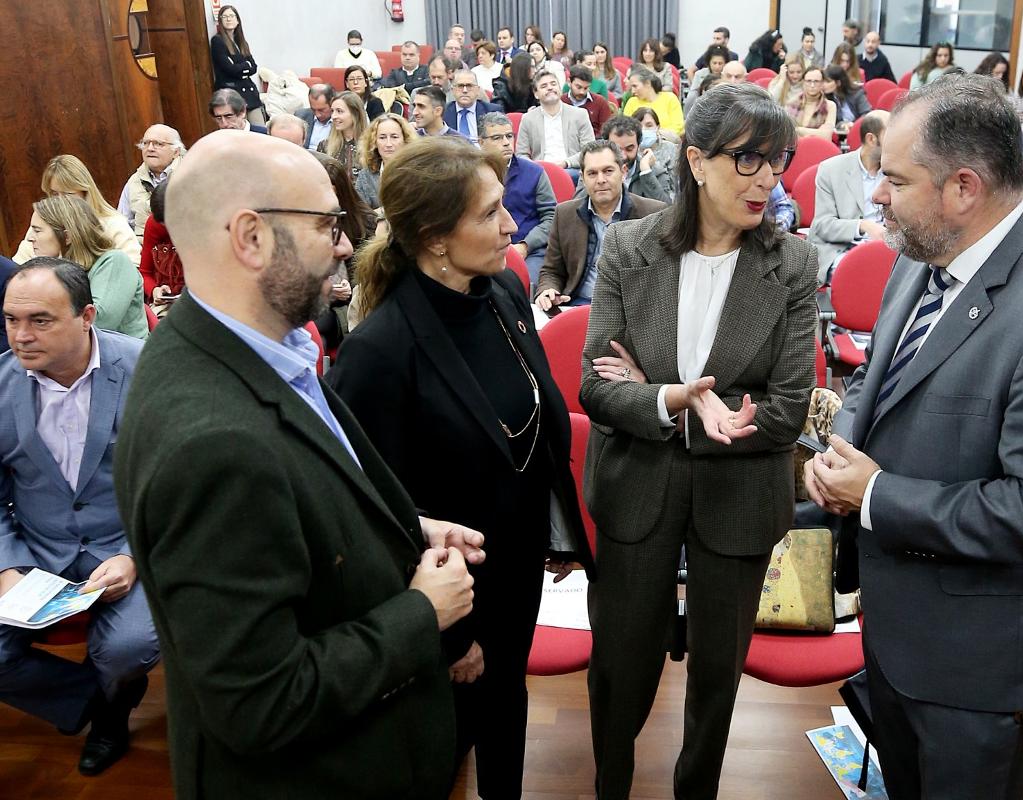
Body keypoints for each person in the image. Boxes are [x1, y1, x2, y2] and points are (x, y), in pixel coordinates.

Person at [114, 128, 480, 798]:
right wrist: (422, 612)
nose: (344, 244)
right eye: (326, 224)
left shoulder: (243, 350)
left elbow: (292, 508)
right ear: (251, 238)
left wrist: (399, 528)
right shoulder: (212, 446)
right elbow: (260, 701)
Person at [802, 73, 1023, 800]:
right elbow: (880, 385)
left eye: (894, 179)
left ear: (963, 187)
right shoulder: (923, 255)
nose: (876, 196)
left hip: (975, 662)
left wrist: (877, 495)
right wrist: (840, 460)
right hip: (898, 628)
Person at [327, 135, 592, 799]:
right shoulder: (379, 353)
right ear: (435, 238)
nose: (512, 225)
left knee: (506, 709)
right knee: (444, 746)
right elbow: (376, 515)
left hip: (518, 563)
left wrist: (556, 528)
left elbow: (533, 422)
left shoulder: (501, 290)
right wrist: (447, 637)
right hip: (452, 597)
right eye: (490, 214)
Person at [581, 83, 816, 799]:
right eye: (747, 160)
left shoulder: (794, 264)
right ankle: (611, 785)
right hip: (635, 486)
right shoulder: (627, 246)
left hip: (739, 490)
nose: (767, 179)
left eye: (777, 161)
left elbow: (787, 408)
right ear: (696, 160)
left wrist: (656, 395)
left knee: (717, 675)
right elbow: (596, 389)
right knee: (621, 666)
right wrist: (675, 400)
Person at [0, 259, 159, 776]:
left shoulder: (147, 369)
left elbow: (182, 482)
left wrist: (135, 556)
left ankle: (112, 706)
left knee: (127, 648)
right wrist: (8, 563)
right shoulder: (1, 384)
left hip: (126, 543)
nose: (21, 336)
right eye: (10, 320)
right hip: (37, 553)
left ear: (87, 315)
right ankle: (98, 706)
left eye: (40, 320)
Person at [535, 140, 667, 312]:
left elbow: (663, 276)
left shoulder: (652, 214)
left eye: (608, 171)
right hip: (578, 305)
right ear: (582, 178)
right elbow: (552, 271)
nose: (601, 180)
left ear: (623, 172)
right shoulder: (565, 214)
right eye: (592, 173)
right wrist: (548, 290)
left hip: (632, 311)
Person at [26, 196, 147, 339]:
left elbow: (98, 324)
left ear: (67, 237)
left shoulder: (114, 262)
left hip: (128, 359)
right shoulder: (52, 272)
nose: (30, 238)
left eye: (37, 231)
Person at [13, 156, 141, 268]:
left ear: (85, 192)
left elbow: (133, 268)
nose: (61, 201)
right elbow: (17, 271)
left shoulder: (113, 224)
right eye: (54, 194)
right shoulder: (40, 226)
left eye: (68, 194)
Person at [807, 110, 889, 280]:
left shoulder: (896, 170)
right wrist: (863, 226)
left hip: (887, 247)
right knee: (859, 273)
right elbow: (822, 225)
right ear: (871, 139)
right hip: (842, 249)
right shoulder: (831, 170)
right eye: (890, 135)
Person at [479, 112, 557, 281]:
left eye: (509, 136)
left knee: (525, 283)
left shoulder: (534, 173)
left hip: (530, 251)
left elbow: (551, 217)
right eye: (497, 138)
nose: (506, 143)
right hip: (483, 249)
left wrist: (526, 245)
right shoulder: (471, 176)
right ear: (481, 142)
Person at [311, 151, 376, 353]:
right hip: (310, 300)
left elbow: (369, 277)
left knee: (318, 328)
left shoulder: (365, 222)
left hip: (345, 307)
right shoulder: (301, 219)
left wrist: (348, 289)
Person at [516, 71, 594, 172]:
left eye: (553, 84)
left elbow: (589, 150)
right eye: (544, 86)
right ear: (536, 94)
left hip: (572, 169)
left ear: (560, 89)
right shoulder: (528, 119)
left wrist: (566, 163)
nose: (550, 88)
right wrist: (536, 166)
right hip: (541, 171)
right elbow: (521, 154)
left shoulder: (580, 114)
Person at [118, 125, 183, 243]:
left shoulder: (190, 175)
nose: (150, 148)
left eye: (158, 144)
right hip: (143, 252)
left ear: (176, 152)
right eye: (146, 143)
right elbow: (122, 227)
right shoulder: (133, 183)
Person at [601, 113, 677, 204]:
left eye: (629, 149)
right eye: (617, 149)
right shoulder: (593, 170)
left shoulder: (655, 171)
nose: (623, 156)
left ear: (638, 146)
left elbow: (666, 209)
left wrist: (646, 172)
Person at [210, 5, 263, 125]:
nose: (229, 19)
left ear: (238, 20)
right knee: (237, 131)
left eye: (232, 16)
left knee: (259, 129)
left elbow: (253, 67)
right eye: (225, 16)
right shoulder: (217, 41)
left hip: (250, 93)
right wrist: (245, 67)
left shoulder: (242, 42)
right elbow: (230, 69)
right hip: (231, 94)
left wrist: (241, 68)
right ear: (220, 21)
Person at [138, 182, 183, 316]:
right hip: (168, 303)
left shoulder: (204, 224)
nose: (169, 228)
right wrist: (154, 290)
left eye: (173, 222)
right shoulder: (154, 224)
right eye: (164, 224)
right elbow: (144, 272)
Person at [355, 113, 416, 209]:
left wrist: (382, 213)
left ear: (405, 140)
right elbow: (361, 215)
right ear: (374, 142)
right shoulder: (365, 176)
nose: (388, 144)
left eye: (394, 137)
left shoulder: (417, 173)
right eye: (382, 137)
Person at [317, 90, 367, 179]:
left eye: (339, 111)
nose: (333, 116)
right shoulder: (324, 146)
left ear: (355, 114)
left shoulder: (371, 146)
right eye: (332, 111)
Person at [445, 68, 502, 143]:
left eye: (469, 86)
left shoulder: (492, 111)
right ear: (453, 90)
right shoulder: (443, 113)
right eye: (460, 86)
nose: (465, 90)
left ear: (477, 90)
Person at [622, 67, 684, 135]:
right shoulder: (631, 102)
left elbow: (678, 127)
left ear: (648, 83)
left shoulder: (670, 98)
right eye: (631, 87)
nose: (633, 91)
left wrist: (657, 135)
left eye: (635, 86)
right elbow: (626, 128)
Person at [786, 65, 837, 141]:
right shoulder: (791, 103)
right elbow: (786, 133)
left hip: (819, 148)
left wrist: (797, 130)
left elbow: (826, 136)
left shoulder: (830, 106)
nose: (812, 85)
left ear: (822, 83)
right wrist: (818, 132)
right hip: (794, 149)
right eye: (809, 81)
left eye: (816, 81)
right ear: (803, 82)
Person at [563, 65, 611, 136]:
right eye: (578, 87)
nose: (582, 92)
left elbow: (606, 132)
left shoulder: (600, 102)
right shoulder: (561, 101)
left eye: (586, 88)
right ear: (569, 82)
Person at [684, 44, 730, 112]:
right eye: (714, 63)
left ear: (725, 63)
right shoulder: (699, 74)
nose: (717, 66)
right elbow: (693, 94)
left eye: (720, 63)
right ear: (709, 63)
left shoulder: (728, 75)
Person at [296, 84, 335, 150]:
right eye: (313, 109)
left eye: (321, 110)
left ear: (332, 102)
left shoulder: (341, 120)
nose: (317, 115)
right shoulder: (300, 116)